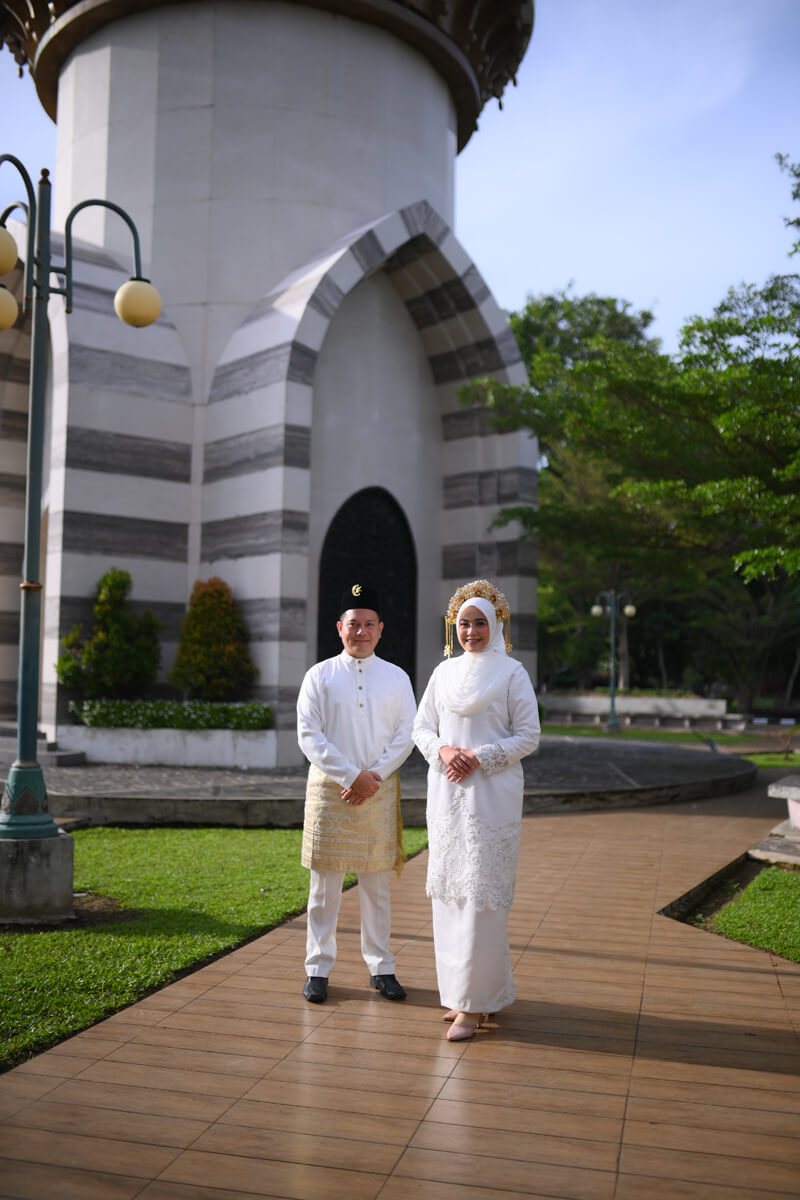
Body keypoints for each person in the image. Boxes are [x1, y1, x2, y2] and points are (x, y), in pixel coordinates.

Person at [413, 579, 540, 1040]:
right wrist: (445, 751)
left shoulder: (512, 673)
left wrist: (479, 756)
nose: (471, 631)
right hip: (447, 797)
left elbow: (529, 735)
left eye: (480, 623)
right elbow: (421, 728)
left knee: (481, 899)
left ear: (496, 626)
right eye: (464, 623)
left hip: (491, 799)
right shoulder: (442, 673)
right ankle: (461, 995)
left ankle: (475, 1004)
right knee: (450, 895)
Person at [296, 583, 417, 1004]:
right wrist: (350, 776)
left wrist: (373, 776)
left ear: (381, 629)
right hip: (331, 791)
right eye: (353, 624)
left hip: (377, 790)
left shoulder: (397, 677)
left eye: (368, 624)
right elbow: (309, 735)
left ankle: (381, 967)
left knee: (376, 885)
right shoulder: (319, 675)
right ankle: (317, 969)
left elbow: (407, 734)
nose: (361, 632)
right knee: (323, 887)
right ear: (339, 628)